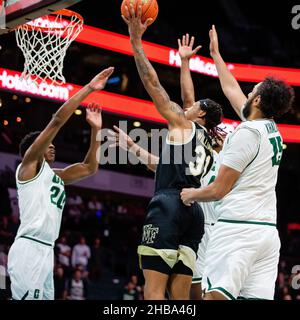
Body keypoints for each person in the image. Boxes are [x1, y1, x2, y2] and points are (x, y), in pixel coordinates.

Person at [181, 25, 295, 300]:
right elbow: (231, 89)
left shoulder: (246, 132)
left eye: (251, 90)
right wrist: (215, 55)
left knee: (213, 297)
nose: (245, 92)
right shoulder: (270, 129)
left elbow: (219, 190)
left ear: (256, 99)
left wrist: (190, 194)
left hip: (237, 228)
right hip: (267, 234)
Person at [122, 4, 222, 300]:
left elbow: (154, 85)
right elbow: (190, 99)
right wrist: (184, 63)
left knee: (153, 293)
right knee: (180, 299)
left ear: (200, 116)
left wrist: (135, 42)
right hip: (194, 214)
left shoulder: (183, 124)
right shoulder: (208, 142)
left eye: (193, 108)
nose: (186, 106)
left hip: (169, 204)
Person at [7, 67, 114, 300]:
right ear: (34, 149)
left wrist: (96, 130)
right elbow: (56, 122)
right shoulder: (28, 168)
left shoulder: (56, 176)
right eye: (47, 143)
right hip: (29, 248)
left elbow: (90, 167)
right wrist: (88, 88)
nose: (53, 145)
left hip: (47, 251)